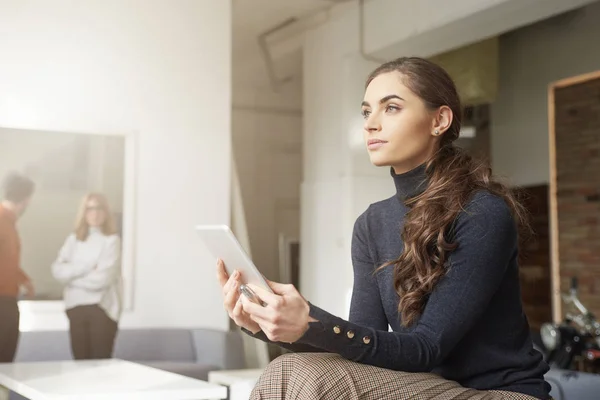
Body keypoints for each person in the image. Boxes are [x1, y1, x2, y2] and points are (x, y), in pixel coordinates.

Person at [217, 57, 552, 400]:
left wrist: (309, 319)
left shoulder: (483, 212)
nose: (370, 124)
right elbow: (363, 351)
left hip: (500, 393)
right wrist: (265, 326)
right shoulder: (372, 224)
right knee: (297, 373)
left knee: (291, 372)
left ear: (439, 120)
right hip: (424, 387)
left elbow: (426, 348)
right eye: (366, 112)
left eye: (391, 108)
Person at [51, 192, 122, 360]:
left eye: (99, 208)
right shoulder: (73, 240)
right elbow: (57, 271)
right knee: (79, 366)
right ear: (83, 212)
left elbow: (102, 280)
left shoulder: (111, 241)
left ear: (106, 212)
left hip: (101, 309)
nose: (95, 213)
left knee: (99, 368)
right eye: (90, 209)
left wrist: (72, 276)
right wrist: (88, 267)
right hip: (75, 308)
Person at [0, 172, 36, 362]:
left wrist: (24, 279)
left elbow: (7, 260)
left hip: (8, 301)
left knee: (6, 366)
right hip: (2, 301)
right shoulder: (2, 220)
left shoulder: (9, 222)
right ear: (26, 200)